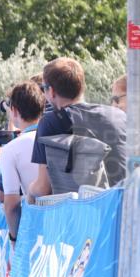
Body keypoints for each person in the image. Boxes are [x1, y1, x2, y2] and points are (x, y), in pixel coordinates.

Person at [29, 57, 127, 200]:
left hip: (89, 213)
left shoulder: (51, 123)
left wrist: (29, 191)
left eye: (44, 88)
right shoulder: (119, 115)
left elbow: (43, 188)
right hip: (126, 208)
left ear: (52, 91)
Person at [0, 81, 46, 243]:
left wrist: (14, 238)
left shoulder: (10, 149)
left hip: (35, 229)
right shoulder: (59, 137)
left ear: (14, 111)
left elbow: (11, 204)